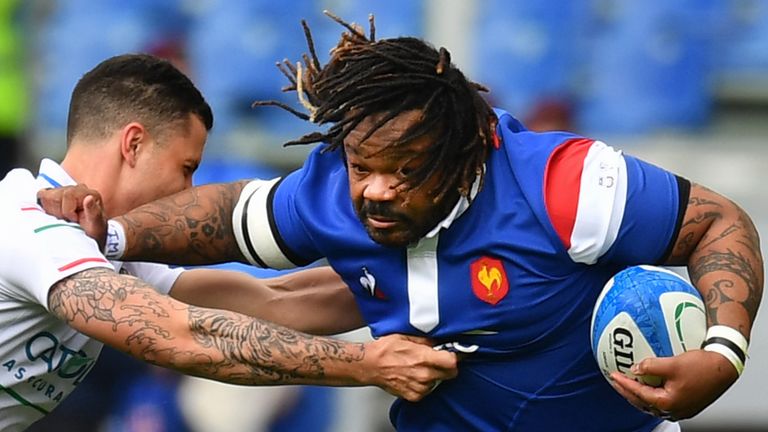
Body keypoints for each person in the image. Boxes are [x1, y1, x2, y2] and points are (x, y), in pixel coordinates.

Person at [40, 14, 763, 432]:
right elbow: (228, 215)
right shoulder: (331, 190)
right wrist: (111, 233)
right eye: (361, 166)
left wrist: (724, 352)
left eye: (405, 169)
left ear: (466, 151)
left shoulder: (568, 184)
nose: (376, 191)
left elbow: (718, 223)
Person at [0, 53, 458, 432]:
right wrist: (364, 364)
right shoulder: (34, 229)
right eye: (186, 167)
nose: (188, 193)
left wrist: (430, 280)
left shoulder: (98, 243)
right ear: (133, 144)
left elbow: (273, 300)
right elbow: (179, 336)